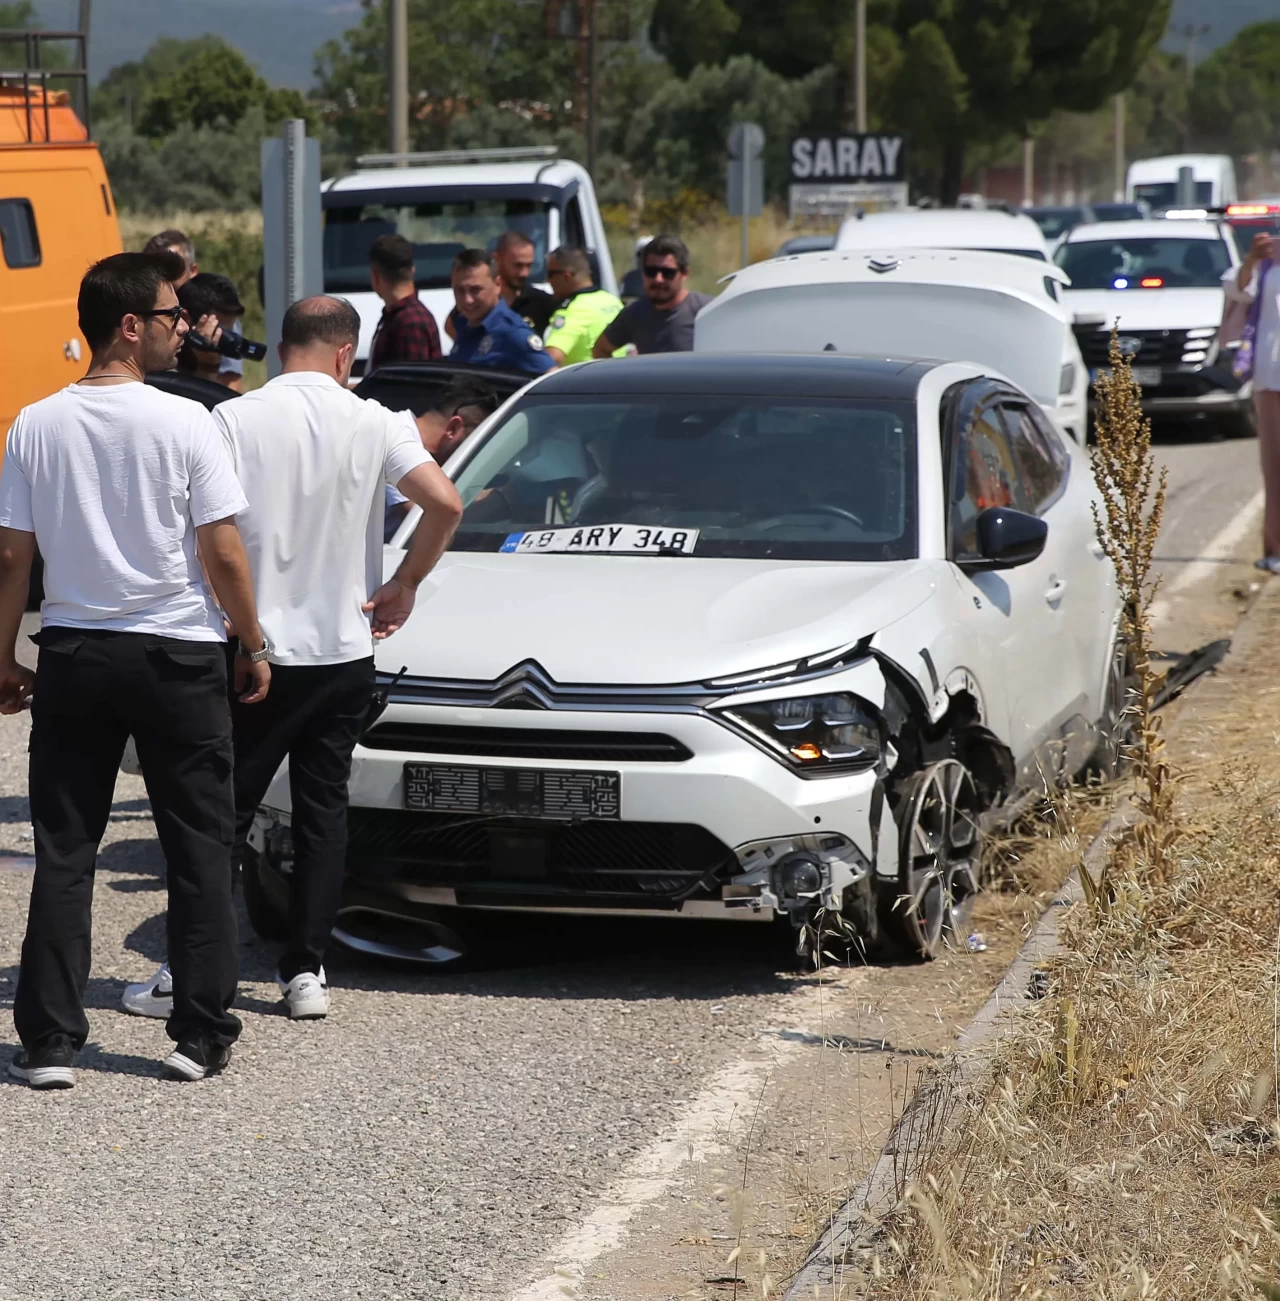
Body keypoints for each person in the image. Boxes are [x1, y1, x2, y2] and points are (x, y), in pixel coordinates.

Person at [123, 297, 463, 1025]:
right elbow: (445, 503)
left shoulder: (234, 419)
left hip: (257, 652)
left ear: (282, 350)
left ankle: (186, 967)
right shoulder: (376, 421)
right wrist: (403, 583)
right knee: (321, 811)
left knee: (222, 814)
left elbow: (202, 535)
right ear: (346, 354)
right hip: (345, 650)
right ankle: (306, 969)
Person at [0, 251, 271, 1089]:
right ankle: (198, 1034)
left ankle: (49, 1042)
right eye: (169, 314)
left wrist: (2, 653)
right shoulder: (190, 422)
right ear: (129, 325)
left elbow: (13, 556)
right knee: (196, 845)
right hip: (177, 653)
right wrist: (252, 641)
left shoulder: (33, 423)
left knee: (66, 847)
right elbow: (221, 549)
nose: (179, 327)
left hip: (77, 652)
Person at [383, 378, 500, 540]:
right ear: (453, 428)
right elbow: (424, 520)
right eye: (476, 441)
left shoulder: (400, 432)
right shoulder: (397, 439)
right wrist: (499, 499)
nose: (477, 452)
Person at [1224, 232, 1280, 573]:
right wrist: (1252, 260)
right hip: (1270, 375)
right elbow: (1235, 289)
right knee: (1274, 466)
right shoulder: (1267, 265)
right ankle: (1275, 546)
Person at [592, 234, 712, 357]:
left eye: (667, 273)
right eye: (651, 271)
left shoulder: (707, 311)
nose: (658, 279)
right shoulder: (635, 313)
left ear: (685, 273)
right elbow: (601, 349)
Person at [448, 248, 554, 376]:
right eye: (459, 290)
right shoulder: (463, 323)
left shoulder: (513, 333)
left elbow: (552, 378)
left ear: (498, 285)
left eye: (476, 290)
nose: (467, 300)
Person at [368, 233, 441, 370]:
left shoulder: (411, 322)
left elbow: (411, 386)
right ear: (412, 270)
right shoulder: (397, 317)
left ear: (375, 275)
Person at [542, 245, 623, 366]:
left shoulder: (572, 311)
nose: (548, 281)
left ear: (567, 276)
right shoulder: (613, 301)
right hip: (619, 377)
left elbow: (551, 358)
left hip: (585, 382)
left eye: (550, 274)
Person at [177, 272, 248, 392]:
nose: (226, 339)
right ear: (186, 319)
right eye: (219, 330)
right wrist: (207, 366)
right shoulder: (161, 360)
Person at [495, 230, 557, 334]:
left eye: (529, 265)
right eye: (518, 265)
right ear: (497, 260)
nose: (524, 273)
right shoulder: (478, 303)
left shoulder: (543, 303)